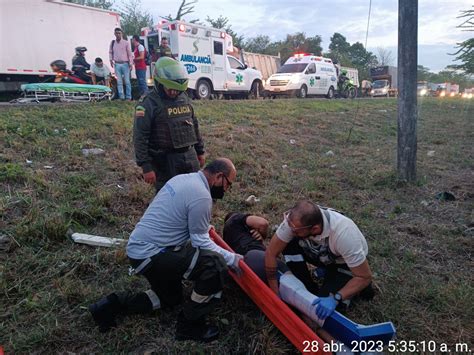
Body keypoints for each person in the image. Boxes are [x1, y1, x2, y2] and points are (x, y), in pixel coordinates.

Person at [89, 158, 241, 342]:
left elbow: (178, 218)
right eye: (228, 185)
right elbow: (200, 241)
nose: (226, 190)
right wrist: (233, 259)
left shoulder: (184, 179)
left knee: (170, 298)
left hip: (139, 249)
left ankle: (110, 305)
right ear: (219, 177)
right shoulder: (202, 195)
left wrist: (203, 226)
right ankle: (189, 326)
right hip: (151, 254)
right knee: (215, 265)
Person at [265, 200, 374, 321]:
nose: (290, 230)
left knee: (319, 314)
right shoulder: (294, 222)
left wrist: (336, 298)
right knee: (289, 244)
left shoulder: (344, 234)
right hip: (322, 255)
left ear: (315, 229)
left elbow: (365, 277)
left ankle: (353, 287)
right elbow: (271, 253)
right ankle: (308, 286)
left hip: (343, 263)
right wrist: (274, 293)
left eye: (296, 230)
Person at [133, 57, 205, 191]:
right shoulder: (148, 103)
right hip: (164, 161)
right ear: (159, 83)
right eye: (170, 89)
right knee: (169, 198)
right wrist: (146, 166)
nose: (174, 92)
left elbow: (194, 126)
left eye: (177, 90)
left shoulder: (184, 98)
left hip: (189, 156)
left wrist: (200, 152)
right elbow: (140, 136)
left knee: (192, 192)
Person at [109, 27, 133, 100]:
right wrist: (110, 60)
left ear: (121, 34)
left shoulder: (126, 43)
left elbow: (129, 54)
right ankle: (121, 97)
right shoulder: (112, 43)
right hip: (117, 64)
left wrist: (131, 63)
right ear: (114, 34)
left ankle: (128, 97)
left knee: (127, 81)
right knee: (119, 82)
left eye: (119, 33)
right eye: (116, 33)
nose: (118, 35)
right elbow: (110, 52)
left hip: (125, 64)